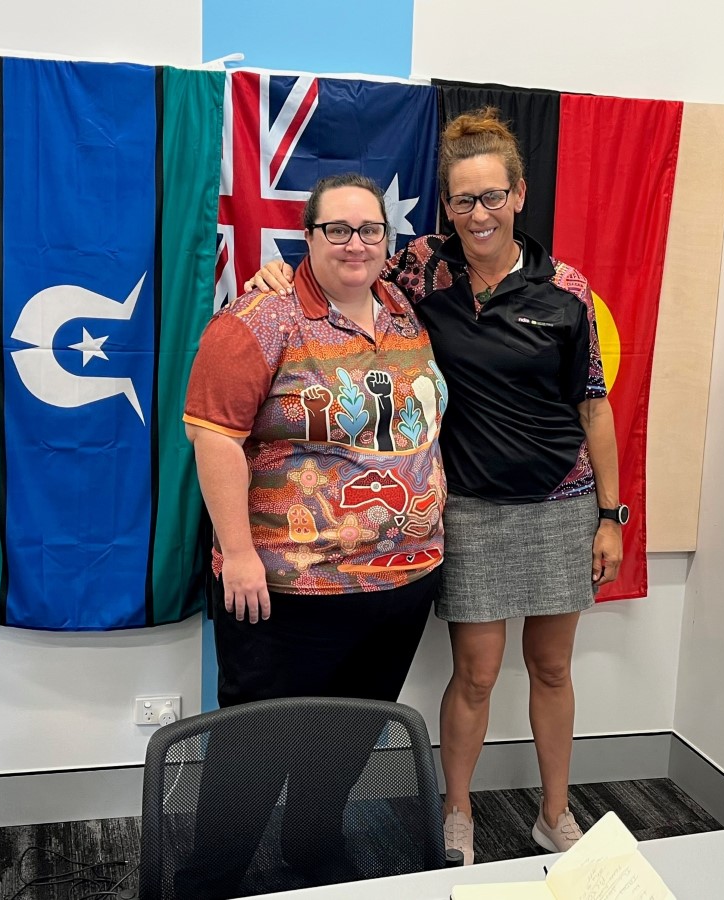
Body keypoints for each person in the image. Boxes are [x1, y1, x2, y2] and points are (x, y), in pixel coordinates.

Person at [246, 109, 624, 866]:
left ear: (518, 195)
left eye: (491, 197)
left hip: (561, 502)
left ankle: (555, 814)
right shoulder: (419, 267)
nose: (477, 214)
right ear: (445, 205)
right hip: (471, 509)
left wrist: (611, 514)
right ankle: (458, 813)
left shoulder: (567, 288)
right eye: (462, 200)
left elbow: (593, 402)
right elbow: (339, 270)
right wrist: (278, 274)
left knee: (552, 667)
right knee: (477, 674)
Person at [180, 172, 447, 895]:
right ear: (309, 236)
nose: (355, 244)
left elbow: (488, 240)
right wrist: (237, 554)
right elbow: (212, 439)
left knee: (346, 737)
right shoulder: (261, 318)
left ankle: (311, 843)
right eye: (338, 230)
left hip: (402, 581)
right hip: (287, 588)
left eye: (370, 231)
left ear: (390, 243)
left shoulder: (402, 305)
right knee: (254, 751)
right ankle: (211, 878)